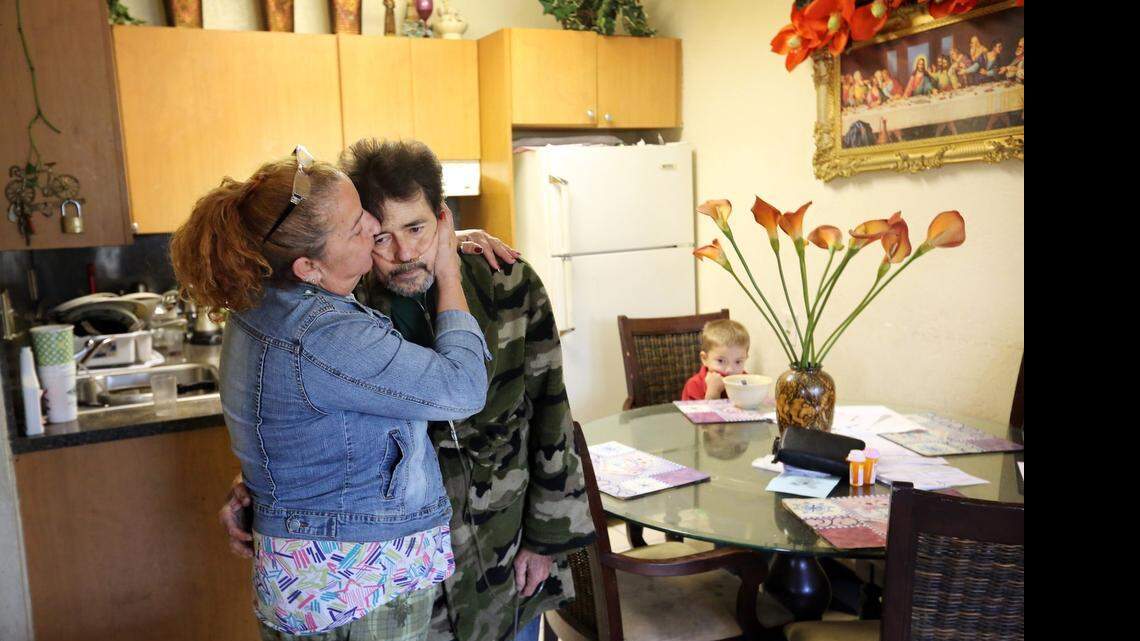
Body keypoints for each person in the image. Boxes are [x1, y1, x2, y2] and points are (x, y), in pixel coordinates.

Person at [221, 139, 596, 641]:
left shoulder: (507, 283)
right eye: (380, 237)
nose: (402, 255)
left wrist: (548, 538)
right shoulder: (343, 306)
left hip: (508, 557)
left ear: (443, 220)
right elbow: (301, 412)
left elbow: (551, 411)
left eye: (417, 229)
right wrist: (256, 488)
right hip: (411, 582)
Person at [172, 148, 491, 641]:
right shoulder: (323, 334)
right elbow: (463, 387)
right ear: (309, 268)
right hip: (359, 581)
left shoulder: (261, 298)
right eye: (357, 227)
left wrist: (447, 240)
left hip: (313, 574)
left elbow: (298, 423)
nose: (371, 225)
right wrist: (448, 270)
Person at [680, 319, 751, 401]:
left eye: (738, 362)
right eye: (720, 361)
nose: (730, 370)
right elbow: (694, 414)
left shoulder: (747, 381)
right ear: (704, 359)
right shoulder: (694, 385)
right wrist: (713, 393)